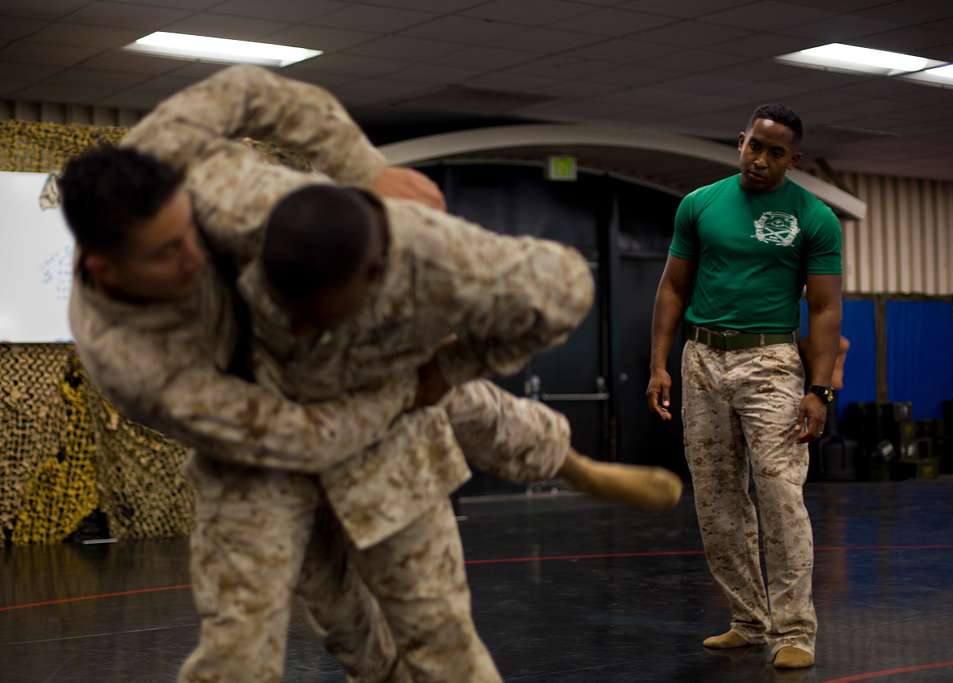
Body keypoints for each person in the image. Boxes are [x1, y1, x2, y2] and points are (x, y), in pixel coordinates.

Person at [62, 65, 681, 683]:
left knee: (459, 429)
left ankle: (573, 464)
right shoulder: (136, 362)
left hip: (349, 368)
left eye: (188, 230)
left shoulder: (214, 187)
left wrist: (362, 169)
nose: (192, 255)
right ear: (105, 269)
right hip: (256, 440)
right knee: (318, 632)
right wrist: (404, 392)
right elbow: (299, 437)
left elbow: (251, 90)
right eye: (166, 253)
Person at [646, 104, 842, 670]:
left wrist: (820, 390)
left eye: (775, 152)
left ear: (792, 158)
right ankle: (748, 620)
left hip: (771, 361)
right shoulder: (699, 204)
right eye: (755, 146)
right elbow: (672, 290)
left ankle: (794, 629)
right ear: (741, 142)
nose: (761, 159)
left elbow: (826, 309)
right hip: (702, 358)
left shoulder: (814, 217)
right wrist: (660, 363)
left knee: (781, 497)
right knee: (717, 500)